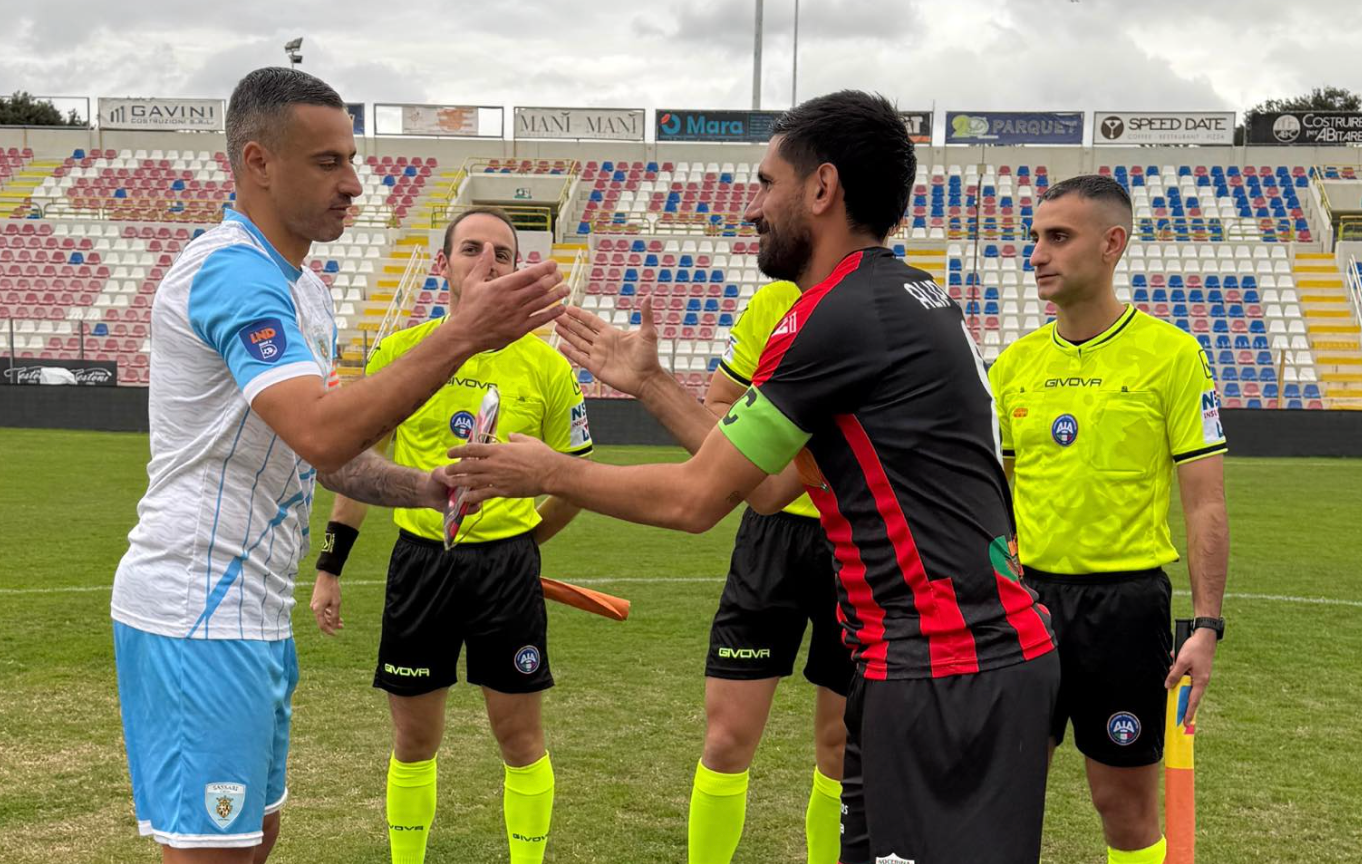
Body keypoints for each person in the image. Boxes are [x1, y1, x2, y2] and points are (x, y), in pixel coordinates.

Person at [444, 90, 1059, 864]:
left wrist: (549, 470)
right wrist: (655, 386)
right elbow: (765, 488)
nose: (753, 208)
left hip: (948, 667)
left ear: (822, 189)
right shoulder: (900, 298)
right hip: (938, 659)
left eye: (768, 184)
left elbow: (698, 499)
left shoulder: (839, 315)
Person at [109, 67, 567, 863]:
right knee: (213, 854)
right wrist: (464, 333)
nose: (354, 184)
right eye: (328, 163)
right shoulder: (232, 271)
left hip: (251, 612)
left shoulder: (306, 293)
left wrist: (426, 487)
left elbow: (332, 459)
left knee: (255, 841)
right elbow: (321, 434)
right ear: (257, 163)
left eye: (351, 160)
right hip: (197, 607)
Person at [308, 207, 590, 864]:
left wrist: (525, 543)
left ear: (517, 271)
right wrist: (330, 567)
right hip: (420, 565)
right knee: (413, 741)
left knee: (519, 739)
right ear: (443, 265)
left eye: (502, 253)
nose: (487, 261)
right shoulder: (402, 354)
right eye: (471, 248)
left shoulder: (547, 368)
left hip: (506, 573)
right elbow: (357, 465)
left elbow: (574, 478)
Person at [988, 175, 1230, 864]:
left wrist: (1206, 625)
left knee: (1122, 806)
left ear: (1112, 244)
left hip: (1125, 610)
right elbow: (992, 507)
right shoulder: (1012, 367)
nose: (1037, 253)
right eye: (1034, 237)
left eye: (1058, 237)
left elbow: (1205, 501)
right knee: (1004, 794)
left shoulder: (1173, 357)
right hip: (1025, 607)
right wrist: (995, 595)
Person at [672, 278, 858, 864]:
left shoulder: (883, 300)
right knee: (726, 740)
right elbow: (719, 402)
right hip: (770, 542)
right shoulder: (774, 301)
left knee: (841, 744)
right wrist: (787, 460)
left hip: (855, 537)